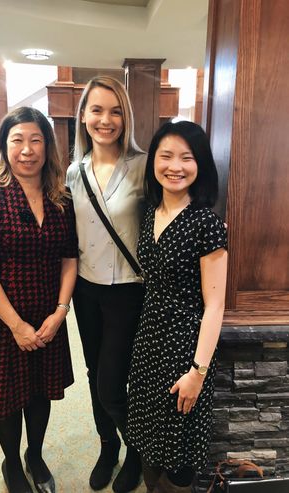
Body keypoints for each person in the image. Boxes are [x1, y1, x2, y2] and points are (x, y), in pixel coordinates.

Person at [0, 106, 78, 493]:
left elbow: (69, 257)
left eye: (35, 140)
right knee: (9, 398)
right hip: (4, 318)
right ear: (4, 146)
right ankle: (12, 463)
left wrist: (60, 312)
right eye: (17, 140)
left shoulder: (60, 197)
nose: (27, 150)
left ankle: (35, 454)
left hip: (48, 313)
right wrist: (17, 325)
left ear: (47, 147)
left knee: (40, 391)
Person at [127, 121, 228, 493]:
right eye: (166, 155)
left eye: (187, 158)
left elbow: (215, 305)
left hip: (186, 352)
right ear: (153, 160)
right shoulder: (149, 212)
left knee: (180, 454)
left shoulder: (207, 224)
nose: (175, 166)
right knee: (151, 446)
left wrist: (197, 372)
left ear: (200, 164)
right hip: (149, 343)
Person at [66, 76, 147, 493]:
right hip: (86, 289)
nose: (106, 119)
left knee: (114, 380)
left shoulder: (144, 165)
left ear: (126, 117)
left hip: (129, 290)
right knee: (95, 368)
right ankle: (106, 445)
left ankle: (137, 449)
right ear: (83, 116)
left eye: (116, 111)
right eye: (97, 110)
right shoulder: (73, 172)